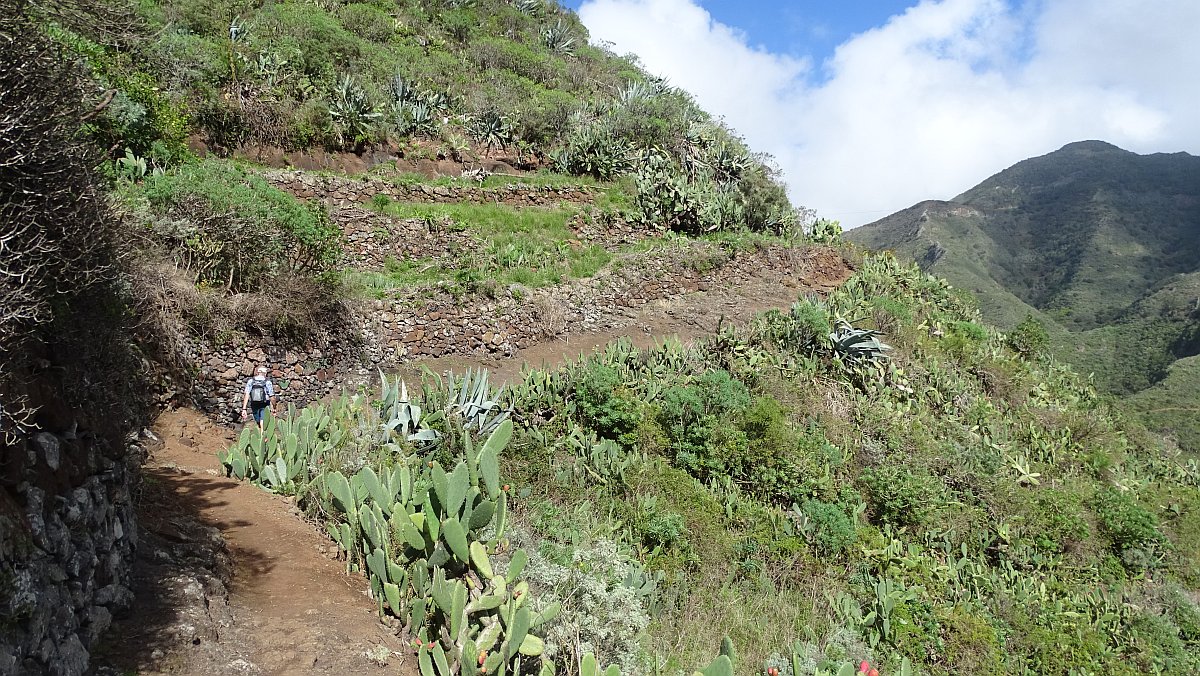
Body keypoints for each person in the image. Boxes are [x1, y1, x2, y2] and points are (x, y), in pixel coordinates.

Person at [240, 365, 275, 430]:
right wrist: (274, 407)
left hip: (254, 404)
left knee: (259, 421)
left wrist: (244, 409)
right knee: (262, 421)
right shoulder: (268, 382)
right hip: (265, 404)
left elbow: (246, 394)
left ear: (258, 372)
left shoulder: (251, 381)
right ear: (265, 373)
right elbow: (271, 396)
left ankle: (261, 436)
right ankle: (262, 435)